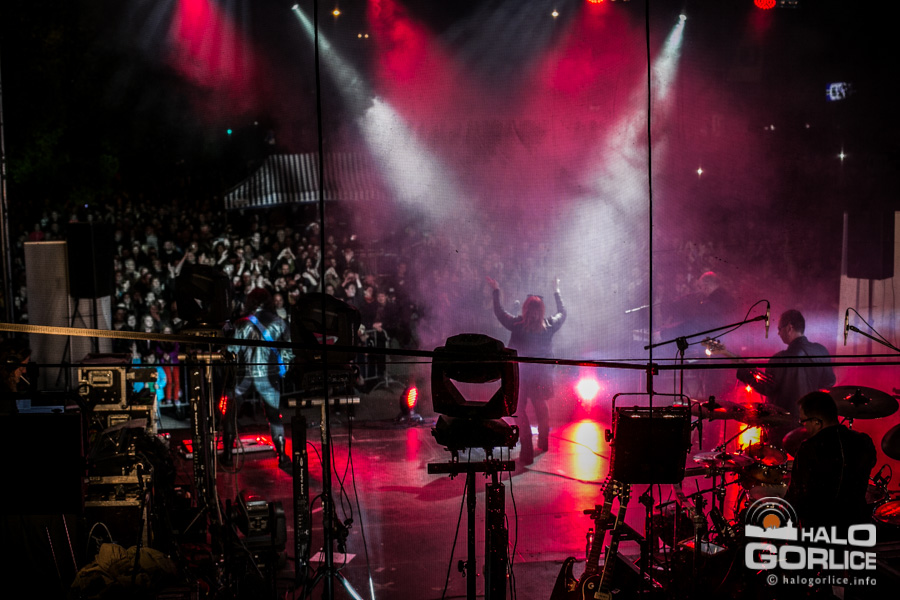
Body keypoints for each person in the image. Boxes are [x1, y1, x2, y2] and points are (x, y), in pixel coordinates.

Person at [487, 276, 566, 465]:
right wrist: (556, 291)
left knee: (519, 410)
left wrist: (496, 289)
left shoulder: (517, 325)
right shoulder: (548, 326)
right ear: (542, 311)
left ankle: (527, 450)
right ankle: (543, 442)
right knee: (540, 406)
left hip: (520, 376)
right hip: (540, 376)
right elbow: (562, 313)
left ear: (525, 309)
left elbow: (499, 312)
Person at [735, 309, 835, 447]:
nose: (778, 333)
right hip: (814, 426)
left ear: (789, 327)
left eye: (779, 329)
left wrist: (744, 372)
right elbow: (829, 382)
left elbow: (767, 388)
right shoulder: (821, 351)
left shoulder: (780, 358)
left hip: (784, 428)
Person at [785, 390, 876, 530]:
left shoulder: (809, 449)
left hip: (820, 533)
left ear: (817, 422)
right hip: (857, 527)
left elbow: (796, 497)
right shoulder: (864, 442)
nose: (803, 426)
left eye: (803, 421)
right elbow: (870, 463)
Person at [226, 287, 294, 472]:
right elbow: (288, 351)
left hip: (243, 376)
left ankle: (227, 456)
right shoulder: (279, 322)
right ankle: (282, 455)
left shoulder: (241, 323)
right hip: (269, 376)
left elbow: (231, 351)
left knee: (230, 413)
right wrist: (282, 370)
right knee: (274, 416)